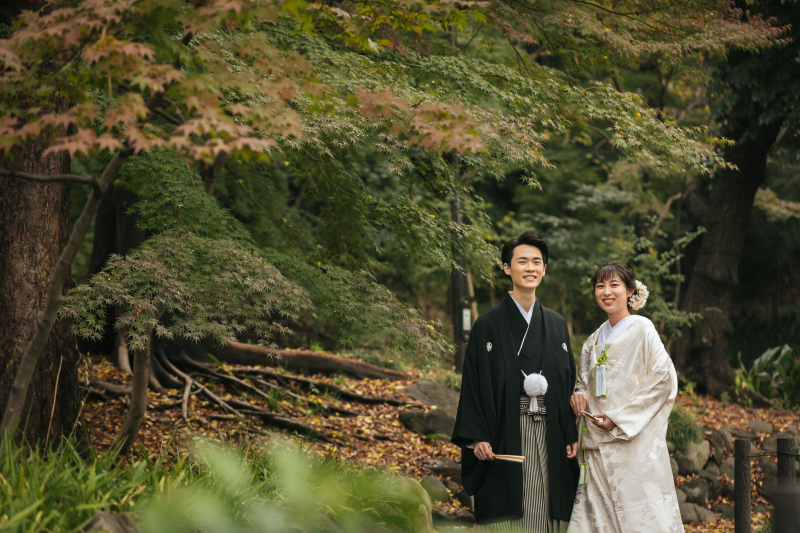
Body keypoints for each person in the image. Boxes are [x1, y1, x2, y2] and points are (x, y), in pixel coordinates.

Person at [452, 231, 579, 532]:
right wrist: (477, 436)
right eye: (522, 261)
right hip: (503, 431)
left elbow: (565, 383)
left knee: (547, 503)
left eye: (537, 262)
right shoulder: (487, 324)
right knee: (509, 509)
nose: (530, 268)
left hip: (550, 430)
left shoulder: (557, 324)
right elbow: (473, 383)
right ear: (507, 268)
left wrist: (569, 433)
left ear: (544, 269)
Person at [567, 262, 683, 533]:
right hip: (596, 443)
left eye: (614, 285)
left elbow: (663, 377)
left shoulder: (643, 330)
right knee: (595, 521)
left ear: (630, 291)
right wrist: (578, 395)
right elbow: (583, 382)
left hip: (631, 442)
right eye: (600, 286)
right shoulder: (593, 340)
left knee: (640, 517)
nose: (606, 291)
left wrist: (618, 418)